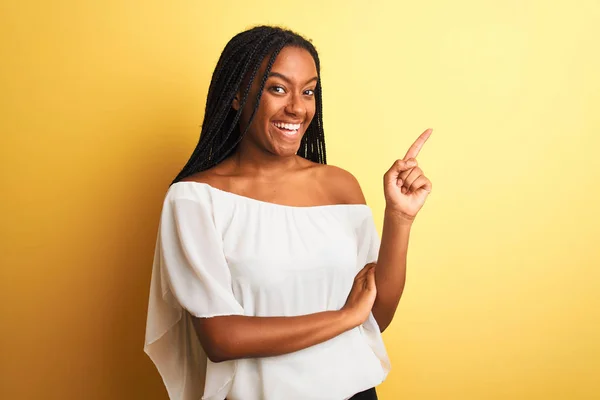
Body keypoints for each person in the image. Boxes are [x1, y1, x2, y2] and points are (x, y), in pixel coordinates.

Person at [144, 25, 432, 400]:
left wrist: (400, 217)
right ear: (236, 95)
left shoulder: (339, 186)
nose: (297, 107)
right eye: (277, 88)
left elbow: (375, 317)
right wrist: (343, 317)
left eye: (308, 91)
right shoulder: (195, 200)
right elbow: (222, 338)